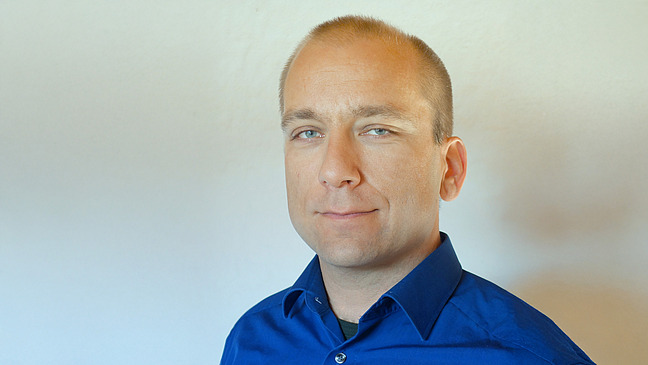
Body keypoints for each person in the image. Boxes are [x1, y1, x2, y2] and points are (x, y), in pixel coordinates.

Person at [221, 15, 594, 364]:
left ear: (449, 169)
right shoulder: (251, 340)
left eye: (377, 130)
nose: (335, 171)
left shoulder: (527, 355)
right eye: (308, 133)